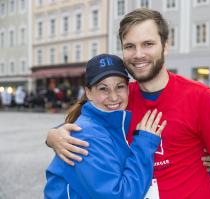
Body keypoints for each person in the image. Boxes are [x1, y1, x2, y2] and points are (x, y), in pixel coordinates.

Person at [46, 8, 210, 199]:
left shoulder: (201, 97)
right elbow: (88, 118)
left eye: (148, 44)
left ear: (165, 46)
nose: (138, 54)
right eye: (130, 46)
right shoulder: (119, 99)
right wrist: (54, 135)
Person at [44, 54, 167, 198]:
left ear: (128, 89)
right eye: (103, 89)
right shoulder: (87, 136)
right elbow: (119, 196)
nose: (114, 97)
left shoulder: (110, 125)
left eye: (120, 87)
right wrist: (144, 145)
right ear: (88, 92)